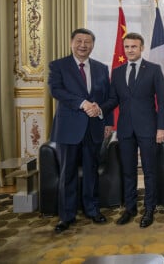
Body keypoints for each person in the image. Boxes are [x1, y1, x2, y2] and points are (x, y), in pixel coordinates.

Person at [48, 28, 113, 233]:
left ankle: (92, 210)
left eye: (87, 42)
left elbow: (109, 97)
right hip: (68, 128)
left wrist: (106, 118)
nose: (83, 45)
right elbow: (56, 90)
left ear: (92, 45)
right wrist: (83, 103)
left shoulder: (102, 68)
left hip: (94, 128)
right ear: (71, 42)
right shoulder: (58, 66)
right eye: (79, 41)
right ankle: (66, 216)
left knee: (91, 171)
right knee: (67, 173)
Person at [101, 32, 164, 228]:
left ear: (141, 48)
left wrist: (161, 127)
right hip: (125, 129)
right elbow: (113, 100)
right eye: (127, 47)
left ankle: (149, 209)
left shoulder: (154, 70)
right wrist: (103, 113)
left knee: (149, 171)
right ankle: (130, 208)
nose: (130, 50)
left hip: (149, 128)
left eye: (134, 47)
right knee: (128, 171)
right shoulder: (118, 71)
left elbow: (162, 102)